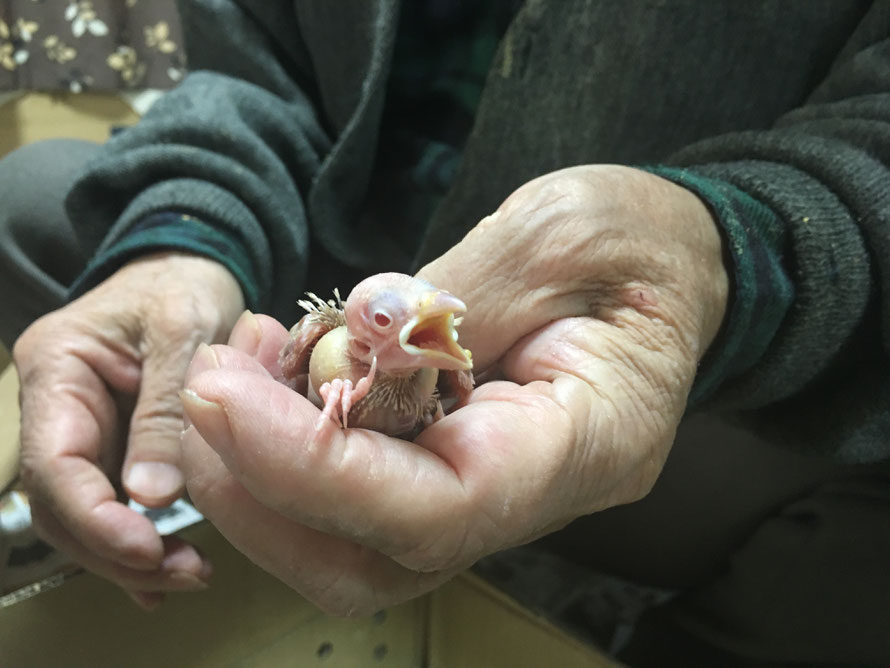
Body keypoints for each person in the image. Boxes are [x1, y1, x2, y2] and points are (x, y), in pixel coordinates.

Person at [2, 0, 888, 664]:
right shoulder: (355, 345)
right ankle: (177, 502)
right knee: (30, 202)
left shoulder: (436, 347)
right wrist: (186, 232)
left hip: (687, 345)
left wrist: (734, 260)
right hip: (337, 241)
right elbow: (251, 57)